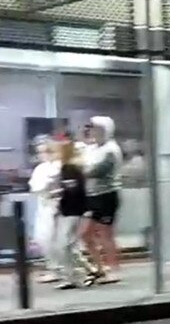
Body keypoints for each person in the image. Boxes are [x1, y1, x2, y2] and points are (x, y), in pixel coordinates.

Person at [81, 116, 123, 285]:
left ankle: (113, 269)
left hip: (107, 195)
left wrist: (79, 171)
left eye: (97, 128)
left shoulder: (111, 149)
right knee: (85, 234)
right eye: (91, 128)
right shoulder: (91, 149)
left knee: (106, 234)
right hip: (91, 196)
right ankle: (100, 267)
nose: (92, 131)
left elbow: (98, 171)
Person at [53, 139, 88, 289]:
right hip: (71, 211)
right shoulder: (71, 168)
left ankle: (78, 274)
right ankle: (79, 273)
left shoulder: (70, 168)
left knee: (65, 245)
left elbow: (73, 190)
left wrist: (58, 191)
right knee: (69, 245)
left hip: (71, 211)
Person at [28, 139, 60, 283]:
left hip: (57, 207)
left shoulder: (59, 166)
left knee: (56, 238)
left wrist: (49, 186)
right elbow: (35, 186)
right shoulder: (40, 168)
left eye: (46, 151)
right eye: (40, 152)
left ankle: (60, 269)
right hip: (44, 206)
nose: (43, 155)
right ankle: (52, 267)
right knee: (44, 238)